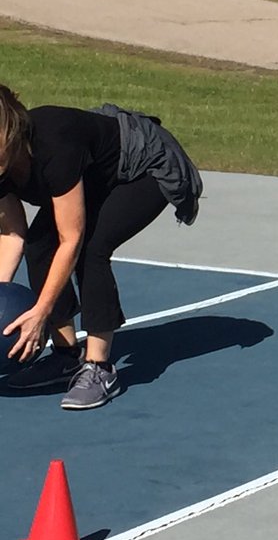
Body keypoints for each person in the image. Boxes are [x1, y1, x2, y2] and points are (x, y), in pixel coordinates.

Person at [0, 86, 203, 410]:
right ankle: (65, 356)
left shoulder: (53, 147)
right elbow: (14, 235)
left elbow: (71, 239)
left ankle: (99, 368)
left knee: (93, 247)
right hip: (94, 175)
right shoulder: (2, 167)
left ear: (8, 133)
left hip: (143, 165)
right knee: (40, 244)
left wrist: (40, 311)